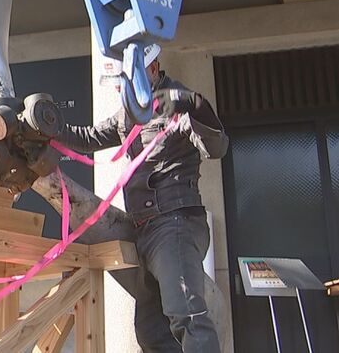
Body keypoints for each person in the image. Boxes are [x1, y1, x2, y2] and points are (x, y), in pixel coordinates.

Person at [58, 44, 228, 353]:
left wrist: (196, 105)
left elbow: (216, 147)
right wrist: (48, 126)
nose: (123, 87)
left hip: (176, 224)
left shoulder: (177, 102)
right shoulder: (131, 111)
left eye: (128, 78)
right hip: (145, 230)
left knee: (187, 318)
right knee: (151, 331)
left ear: (151, 69)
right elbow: (88, 138)